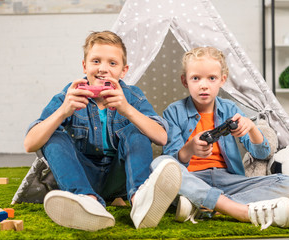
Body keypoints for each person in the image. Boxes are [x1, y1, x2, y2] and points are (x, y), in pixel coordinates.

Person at [23, 31, 181, 232]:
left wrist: (127, 110)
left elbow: (161, 137)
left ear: (124, 71)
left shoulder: (132, 96)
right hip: (81, 176)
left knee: (137, 128)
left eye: (112, 64)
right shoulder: (70, 94)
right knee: (54, 134)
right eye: (96, 61)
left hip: (120, 178)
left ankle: (140, 199)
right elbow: (30, 144)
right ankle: (88, 201)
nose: (103, 69)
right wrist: (63, 111)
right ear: (84, 66)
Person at [152, 46, 289, 230]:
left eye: (211, 78)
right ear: (185, 81)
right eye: (196, 78)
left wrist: (252, 128)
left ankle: (209, 206)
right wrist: (189, 149)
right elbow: (172, 166)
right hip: (192, 180)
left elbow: (262, 154)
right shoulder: (174, 112)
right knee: (160, 162)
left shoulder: (230, 110)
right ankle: (237, 209)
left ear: (222, 80)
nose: (204, 85)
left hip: (228, 180)